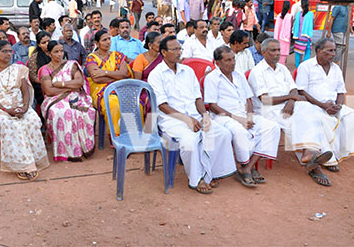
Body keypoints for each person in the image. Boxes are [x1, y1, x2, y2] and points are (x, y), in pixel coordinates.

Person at [150, 36, 236, 194]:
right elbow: (162, 106)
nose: (178, 52)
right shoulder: (156, 74)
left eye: (179, 49)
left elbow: (198, 98)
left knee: (223, 133)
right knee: (190, 139)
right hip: (173, 120)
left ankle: (212, 173)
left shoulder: (187, 71)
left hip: (194, 116)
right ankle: (197, 178)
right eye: (174, 49)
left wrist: (204, 115)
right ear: (163, 52)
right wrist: (187, 120)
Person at [204, 46, 281, 187]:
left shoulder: (239, 75)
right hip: (223, 117)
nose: (233, 62)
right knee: (238, 131)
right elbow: (213, 107)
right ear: (218, 62)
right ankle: (243, 167)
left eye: (233, 59)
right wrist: (239, 120)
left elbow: (248, 100)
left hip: (244, 115)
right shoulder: (212, 78)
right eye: (228, 60)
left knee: (272, 127)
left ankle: (248, 167)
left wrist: (250, 116)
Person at [293, 39, 354, 177]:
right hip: (312, 104)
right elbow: (301, 91)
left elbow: (341, 92)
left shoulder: (336, 68)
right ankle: (328, 160)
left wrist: (339, 105)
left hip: (333, 105)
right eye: (330, 50)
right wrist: (322, 105)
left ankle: (337, 154)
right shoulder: (306, 66)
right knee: (321, 120)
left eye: (334, 50)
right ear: (319, 51)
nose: (333, 54)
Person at [0, 40, 49, 180]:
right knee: (9, 124)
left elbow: (25, 92)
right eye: (4, 51)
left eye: (9, 51)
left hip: (19, 105)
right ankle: (22, 166)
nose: (8, 54)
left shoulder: (18, 69)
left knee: (32, 120)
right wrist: (6, 110)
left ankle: (33, 159)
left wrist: (25, 107)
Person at [39, 40, 96, 161]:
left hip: (75, 95)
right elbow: (49, 91)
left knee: (83, 111)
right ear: (49, 53)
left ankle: (82, 147)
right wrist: (70, 87)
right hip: (53, 99)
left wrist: (61, 84)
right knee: (60, 112)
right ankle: (65, 151)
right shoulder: (45, 69)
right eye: (56, 52)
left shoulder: (71, 64)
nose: (60, 54)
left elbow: (79, 82)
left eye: (61, 51)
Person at [86, 30, 133, 137]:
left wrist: (104, 72)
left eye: (109, 39)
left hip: (120, 88)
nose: (108, 42)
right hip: (99, 91)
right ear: (97, 43)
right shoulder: (92, 58)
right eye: (104, 40)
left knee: (135, 103)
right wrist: (116, 77)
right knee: (113, 103)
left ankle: (133, 134)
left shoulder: (117, 56)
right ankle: (116, 136)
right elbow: (96, 79)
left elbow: (124, 74)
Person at [26, 31, 53, 108]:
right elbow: (33, 77)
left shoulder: (57, 53)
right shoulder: (34, 58)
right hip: (41, 86)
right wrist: (49, 82)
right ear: (39, 44)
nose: (47, 44)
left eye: (48, 41)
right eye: (44, 42)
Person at [292, 0, 314, 68]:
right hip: (306, 37)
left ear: (301, 6)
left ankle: (297, 67)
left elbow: (296, 24)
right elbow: (312, 23)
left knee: (298, 53)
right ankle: (305, 66)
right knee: (307, 51)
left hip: (298, 36)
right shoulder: (311, 14)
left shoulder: (299, 14)